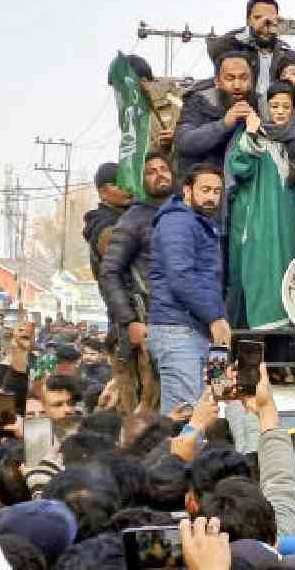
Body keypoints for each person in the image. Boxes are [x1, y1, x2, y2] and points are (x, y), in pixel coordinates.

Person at [224, 80, 295, 329]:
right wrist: (251, 133)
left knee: (283, 283)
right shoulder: (251, 136)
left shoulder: (288, 143)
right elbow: (239, 167)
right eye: (274, 106)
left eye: (286, 106)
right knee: (259, 283)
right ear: (264, 107)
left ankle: (279, 363)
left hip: (284, 229)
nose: (280, 111)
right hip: (256, 227)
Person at [147, 163, 230, 414]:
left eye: (217, 191)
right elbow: (181, 276)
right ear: (187, 190)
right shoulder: (177, 222)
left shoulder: (200, 223)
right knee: (185, 417)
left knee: (211, 409)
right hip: (178, 331)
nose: (211, 197)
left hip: (201, 330)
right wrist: (215, 317)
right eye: (205, 189)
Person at [100, 152, 174, 412]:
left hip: (187, 328)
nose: (160, 174)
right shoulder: (132, 219)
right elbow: (109, 273)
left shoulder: (187, 212)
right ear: (140, 180)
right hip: (149, 329)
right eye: (151, 171)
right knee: (149, 418)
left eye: (164, 168)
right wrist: (130, 321)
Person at [207, 0, 295, 120]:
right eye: (258, 17)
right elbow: (215, 49)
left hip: (274, 120)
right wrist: (253, 31)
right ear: (248, 21)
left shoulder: (286, 52)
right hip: (237, 116)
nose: (265, 23)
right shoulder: (236, 44)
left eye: (271, 19)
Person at [175, 51, 259, 188]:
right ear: (217, 81)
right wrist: (224, 124)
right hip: (207, 191)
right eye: (230, 78)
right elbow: (184, 142)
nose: (237, 85)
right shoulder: (199, 102)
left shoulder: (262, 104)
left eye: (243, 78)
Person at [83, 162, 133, 329]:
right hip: (124, 311)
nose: (125, 188)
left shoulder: (134, 212)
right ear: (103, 192)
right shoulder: (98, 220)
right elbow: (112, 244)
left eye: (127, 182)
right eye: (118, 184)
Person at [121, 55, 180, 155]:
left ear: (143, 82)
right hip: (161, 167)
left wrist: (177, 138)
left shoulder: (176, 98)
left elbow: (196, 132)